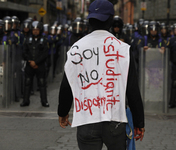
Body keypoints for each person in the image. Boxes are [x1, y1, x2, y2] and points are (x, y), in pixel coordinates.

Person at [58, 0, 145, 150]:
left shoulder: (76, 49)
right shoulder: (122, 49)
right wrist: (139, 122)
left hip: (87, 118)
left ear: (90, 19)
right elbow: (132, 89)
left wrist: (63, 112)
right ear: (111, 20)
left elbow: (67, 84)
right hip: (115, 119)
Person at [20, 21, 49, 107]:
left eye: (37, 29)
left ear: (40, 30)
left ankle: (44, 101)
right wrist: (30, 61)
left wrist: (36, 62)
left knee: (42, 83)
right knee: (27, 83)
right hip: (29, 65)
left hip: (40, 65)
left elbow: (45, 53)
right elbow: (24, 51)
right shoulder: (27, 39)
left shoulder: (44, 40)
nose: (35, 31)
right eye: (33, 29)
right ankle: (25, 101)